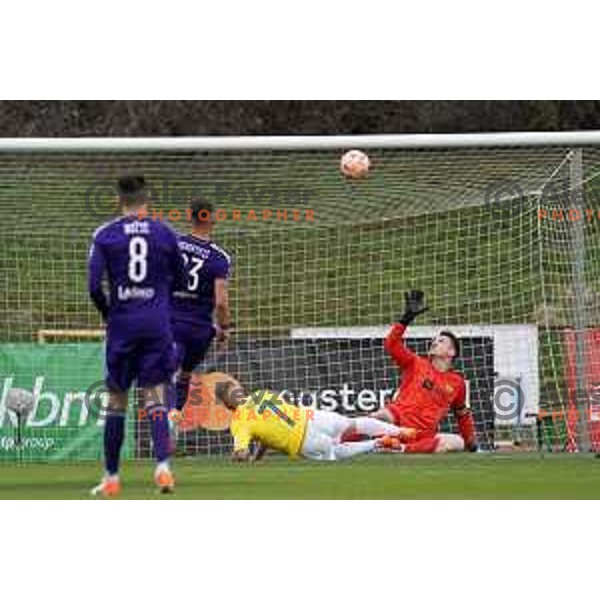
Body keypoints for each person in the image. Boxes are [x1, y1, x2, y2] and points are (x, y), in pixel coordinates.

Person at [88, 175, 186, 496]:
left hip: (122, 327)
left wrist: (109, 313)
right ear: (148, 200)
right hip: (156, 326)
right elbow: (181, 279)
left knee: (116, 400)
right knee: (155, 397)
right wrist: (158, 301)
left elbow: (93, 286)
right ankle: (163, 468)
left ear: (120, 199)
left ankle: (112, 478)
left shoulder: (105, 235)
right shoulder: (165, 233)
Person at [356, 290, 478, 453]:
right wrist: (406, 319)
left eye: (441, 341)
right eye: (434, 340)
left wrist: (471, 441)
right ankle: (337, 444)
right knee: (378, 416)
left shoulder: (457, 383)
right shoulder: (415, 363)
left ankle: (400, 448)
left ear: (451, 352)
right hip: (397, 420)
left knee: (457, 442)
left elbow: (462, 414)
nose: (434, 342)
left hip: (423, 436)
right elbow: (391, 345)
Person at [214, 376, 415, 462]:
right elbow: (270, 425)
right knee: (353, 423)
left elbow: (242, 451)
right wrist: (258, 454)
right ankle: (399, 431)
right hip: (311, 417)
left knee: (335, 453)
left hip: (303, 441)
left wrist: (242, 456)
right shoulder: (260, 394)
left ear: (226, 404)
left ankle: (378, 443)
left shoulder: (239, 421)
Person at [170, 199, 232, 432]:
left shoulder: (174, 245)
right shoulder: (219, 258)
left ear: (190, 216)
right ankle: (173, 418)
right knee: (185, 375)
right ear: (212, 217)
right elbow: (221, 302)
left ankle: (161, 422)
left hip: (170, 321)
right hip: (199, 329)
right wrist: (224, 328)